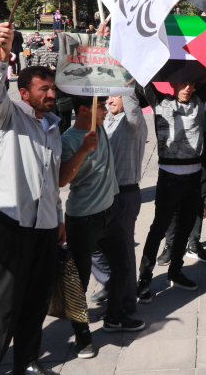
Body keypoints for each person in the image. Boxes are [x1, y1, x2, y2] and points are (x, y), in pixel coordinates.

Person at [0, 22, 65, 375]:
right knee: (1, 304)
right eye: (44, 89)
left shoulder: (53, 126)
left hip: (42, 225)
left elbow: (51, 180)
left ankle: (27, 360)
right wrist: (1, 56)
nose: (51, 94)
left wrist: (57, 217)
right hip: (9, 223)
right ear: (24, 93)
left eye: (53, 89)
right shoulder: (7, 116)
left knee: (35, 299)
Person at [60, 96, 144, 359]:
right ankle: (82, 335)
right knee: (79, 281)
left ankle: (114, 317)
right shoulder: (69, 139)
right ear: (84, 109)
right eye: (101, 106)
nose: (106, 109)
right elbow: (62, 179)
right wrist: (83, 149)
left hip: (110, 215)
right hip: (83, 220)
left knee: (123, 268)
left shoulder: (102, 130)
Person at [136, 77, 206, 301]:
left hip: (194, 177)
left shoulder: (198, 101)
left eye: (191, 84)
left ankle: (176, 272)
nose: (188, 87)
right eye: (183, 83)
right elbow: (143, 82)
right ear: (173, 84)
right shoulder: (160, 102)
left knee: (185, 229)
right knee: (158, 229)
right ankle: (145, 279)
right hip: (169, 178)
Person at [89, 91, 148, 316]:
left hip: (124, 195)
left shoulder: (134, 120)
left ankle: (126, 302)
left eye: (116, 96)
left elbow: (132, 104)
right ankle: (113, 284)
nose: (110, 100)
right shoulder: (107, 121)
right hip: (102, 194)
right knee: (92, 245)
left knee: (124, 251)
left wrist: (125, 80)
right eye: (108, 97)